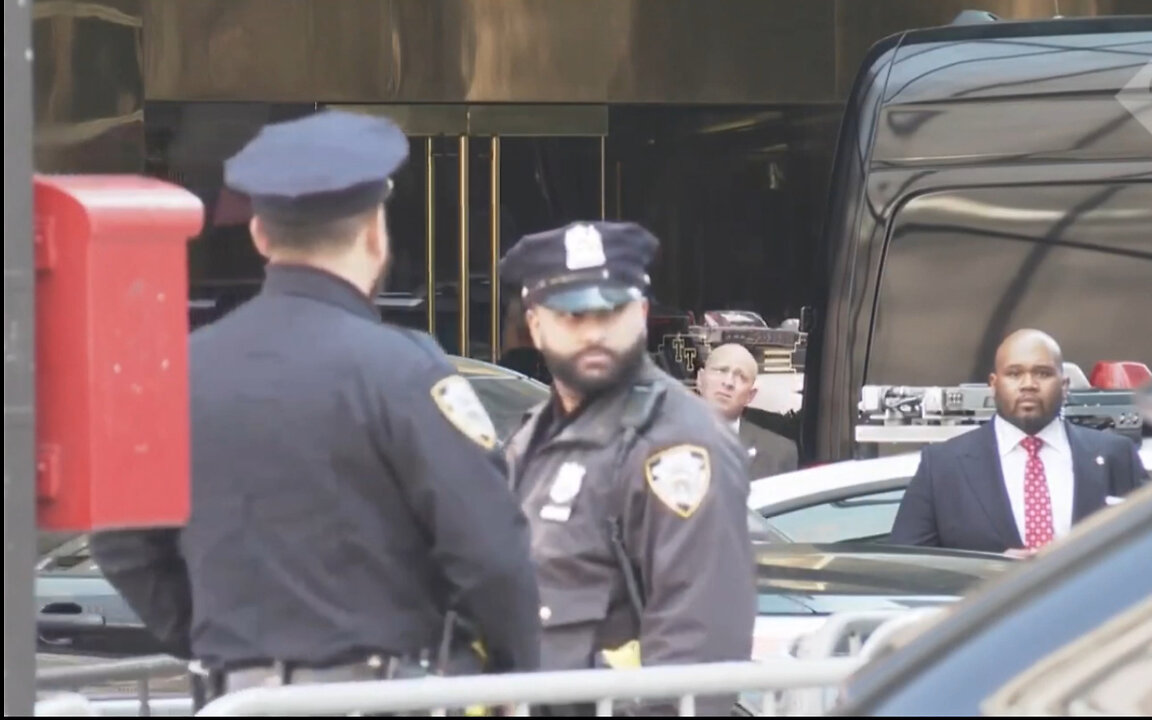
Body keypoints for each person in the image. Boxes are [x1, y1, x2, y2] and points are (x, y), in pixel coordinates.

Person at [89, 109, 542, 705]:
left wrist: (217, 635)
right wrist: (520, 673)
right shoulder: (403, 369)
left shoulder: (173, 372)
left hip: (239, 697)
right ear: (376, 233)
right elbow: (490, 552)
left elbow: (120, 537)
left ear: (259, 236)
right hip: (385, 696)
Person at [498, 220, 757, 716]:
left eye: (610, 312)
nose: (593, 332)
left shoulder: (678, 442)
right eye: (572, 317)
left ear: (640, 313)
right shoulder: (535, 433)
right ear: (536, 326)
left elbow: (698, 650)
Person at [889, 328, 1150, 555]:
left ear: (1065, 384)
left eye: (1043, 373)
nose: (1028, 385)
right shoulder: (943, 466)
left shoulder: (1115, 455)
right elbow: (907, 568)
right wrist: (992, 569)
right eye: (1014, 374)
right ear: (993, 384)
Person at [695, 342, 799, 480]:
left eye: (741, 377)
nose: (728, 382)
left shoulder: (779, 452)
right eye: (721, 370)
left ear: (751, 395)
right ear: (700, 380)